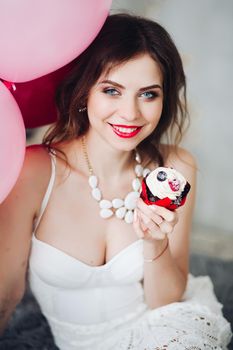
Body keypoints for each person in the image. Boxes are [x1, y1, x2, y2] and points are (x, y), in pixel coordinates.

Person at [0, 13, 231, 350]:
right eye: (112, 90)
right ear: (85, 92)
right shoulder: (34, 170)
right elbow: (7, 292)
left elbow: (166, 300)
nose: (130, 113)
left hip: (163, 327)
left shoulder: (176, 166)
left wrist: (155, 244)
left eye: (148, 94)